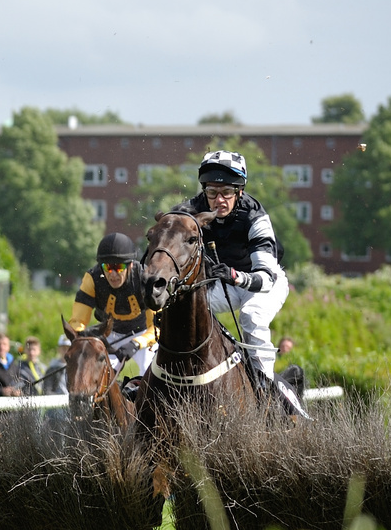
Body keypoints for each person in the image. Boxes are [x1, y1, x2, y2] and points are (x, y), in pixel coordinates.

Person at [170, 150, 290, 381]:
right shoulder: (191, 210)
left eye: (226, 192)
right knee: (186, 310)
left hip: (263, 281)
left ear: (240, 191)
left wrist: (234, 275)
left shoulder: (255, 216)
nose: (219, 200)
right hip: (226, 282)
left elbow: (265, 279)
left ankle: (266, 385)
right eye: (212, 192)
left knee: (251, 315)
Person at [70, 232, 158, 374]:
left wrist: (136, 343)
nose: (113, 274)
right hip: (109, 335)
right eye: (107, 267)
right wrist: (83, 336)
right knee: (96, 376)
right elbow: (77, 322)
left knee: (149, 369)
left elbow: (156, 328)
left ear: (130, 265)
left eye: (119, 268)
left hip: (142, 333)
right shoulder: (92, 278)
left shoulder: (144, 278)